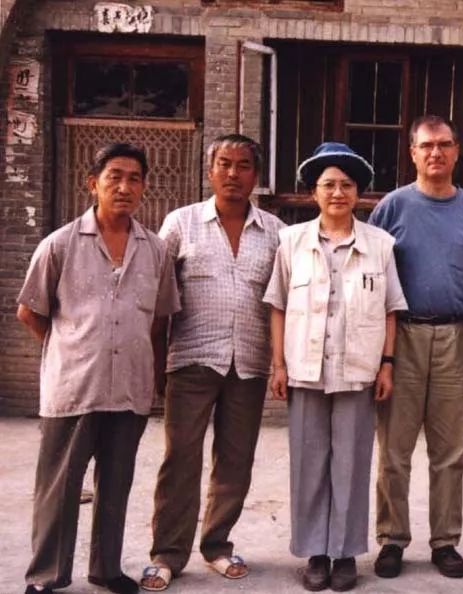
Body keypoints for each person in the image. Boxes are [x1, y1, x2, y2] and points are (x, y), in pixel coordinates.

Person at [18, 143, 180, 594]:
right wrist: (69, 349)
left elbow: (160, 319)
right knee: (60, 486)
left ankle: (106, 569)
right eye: (114, 177)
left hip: (130, 388)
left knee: (115, 483)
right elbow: (30, 311)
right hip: (74, 386)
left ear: (144, 187)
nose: (124, 186)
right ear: (93, 183)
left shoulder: (155, 250)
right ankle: (46, 575)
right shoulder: (60, 244)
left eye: (134, 178)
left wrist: (154, 374)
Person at [141, 134, 285, 591]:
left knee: (235, 460)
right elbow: (158, 300)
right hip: (191, 360)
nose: (233, 174)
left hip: (250, 363)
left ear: (256, 176)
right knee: (180, 459)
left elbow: (283, 302)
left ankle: (217, 545)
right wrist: (156, 364)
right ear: (210, 171)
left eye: (243, 166)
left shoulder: (276, 232)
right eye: (224, 164)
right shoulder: (180, 224)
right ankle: (167, 554)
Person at [264, 142, 407, 591]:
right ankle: (315, 552)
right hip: (305, 368)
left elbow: (391, 309)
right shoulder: (291, 242)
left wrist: (386, 365)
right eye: (328, 185)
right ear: (314, 193)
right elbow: (277, 305)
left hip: (358, 370)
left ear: (359, 194)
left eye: (347, 185)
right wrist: (278, 365)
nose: (338, 193)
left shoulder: (380, 245)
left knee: (351, 462)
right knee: (309, 462)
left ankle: (344, 553)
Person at [368, 115, 463, 579]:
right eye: (426, 146)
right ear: (413, 153)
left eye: (444, 144)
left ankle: (445, 541)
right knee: (394, 450)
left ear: (457, 151)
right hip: (402, 336)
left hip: (456, 335)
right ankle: (392, 539)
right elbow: (372, 275)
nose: (435, 153)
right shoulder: (392, 207)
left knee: (450, 451)